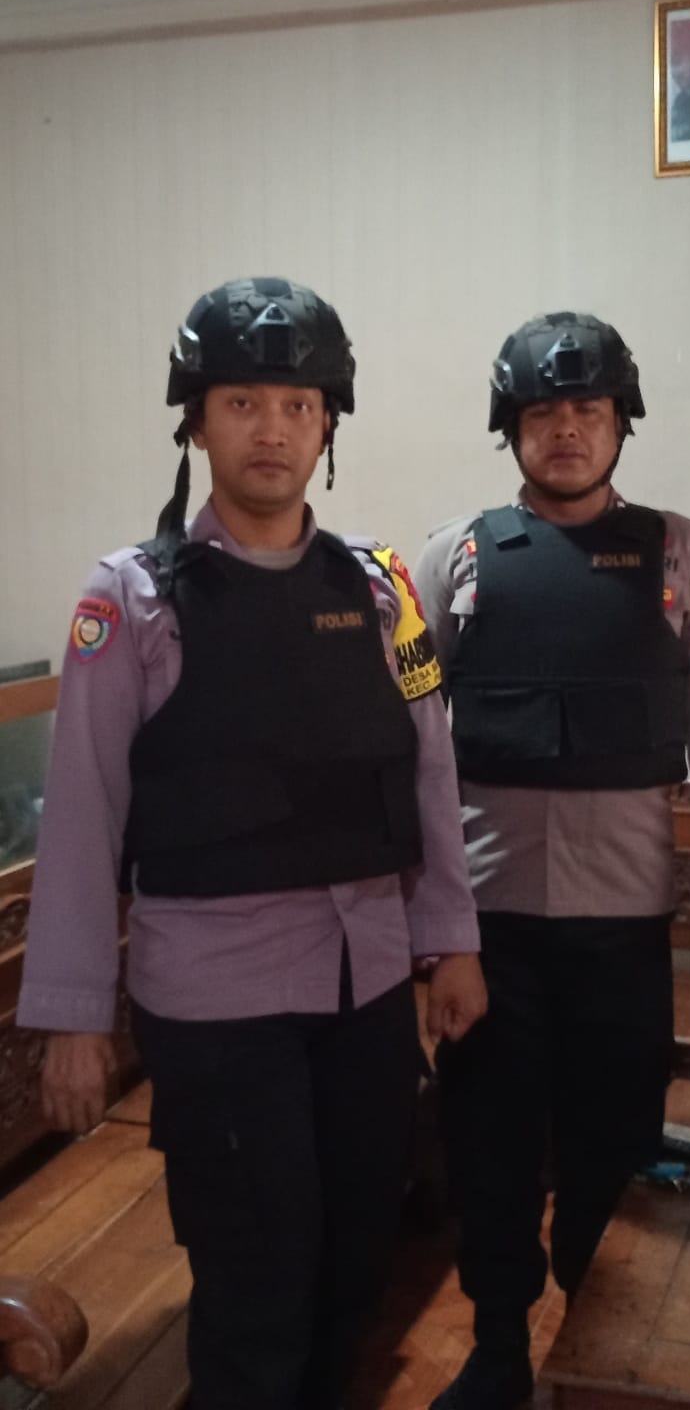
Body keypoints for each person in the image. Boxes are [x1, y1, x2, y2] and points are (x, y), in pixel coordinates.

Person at [17, 276, 487, 1410]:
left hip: (367, 988)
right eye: (241, 403)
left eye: (297, 405)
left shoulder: (379, 591)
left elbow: (428, 765)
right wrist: (74, 1018)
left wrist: (453, 942)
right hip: (216, 1003)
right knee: (256, 1282)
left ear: (327, 426)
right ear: (196, 421)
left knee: (357, 1262)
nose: (271, 428)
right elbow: (81, 812)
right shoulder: (131, 601)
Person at [415, 311, 690, 1410]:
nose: (566, 430)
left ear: (623, 423)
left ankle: (597, 1340)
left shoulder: (681, 551)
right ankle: (497, 1346)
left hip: (624, 919)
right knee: (489, 1144)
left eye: (588, 410)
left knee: (612, 1136)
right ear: (510, 427)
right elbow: (415, 746)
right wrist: (428, 924)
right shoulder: (455, 556)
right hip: (489, 924)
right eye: (542, 413)